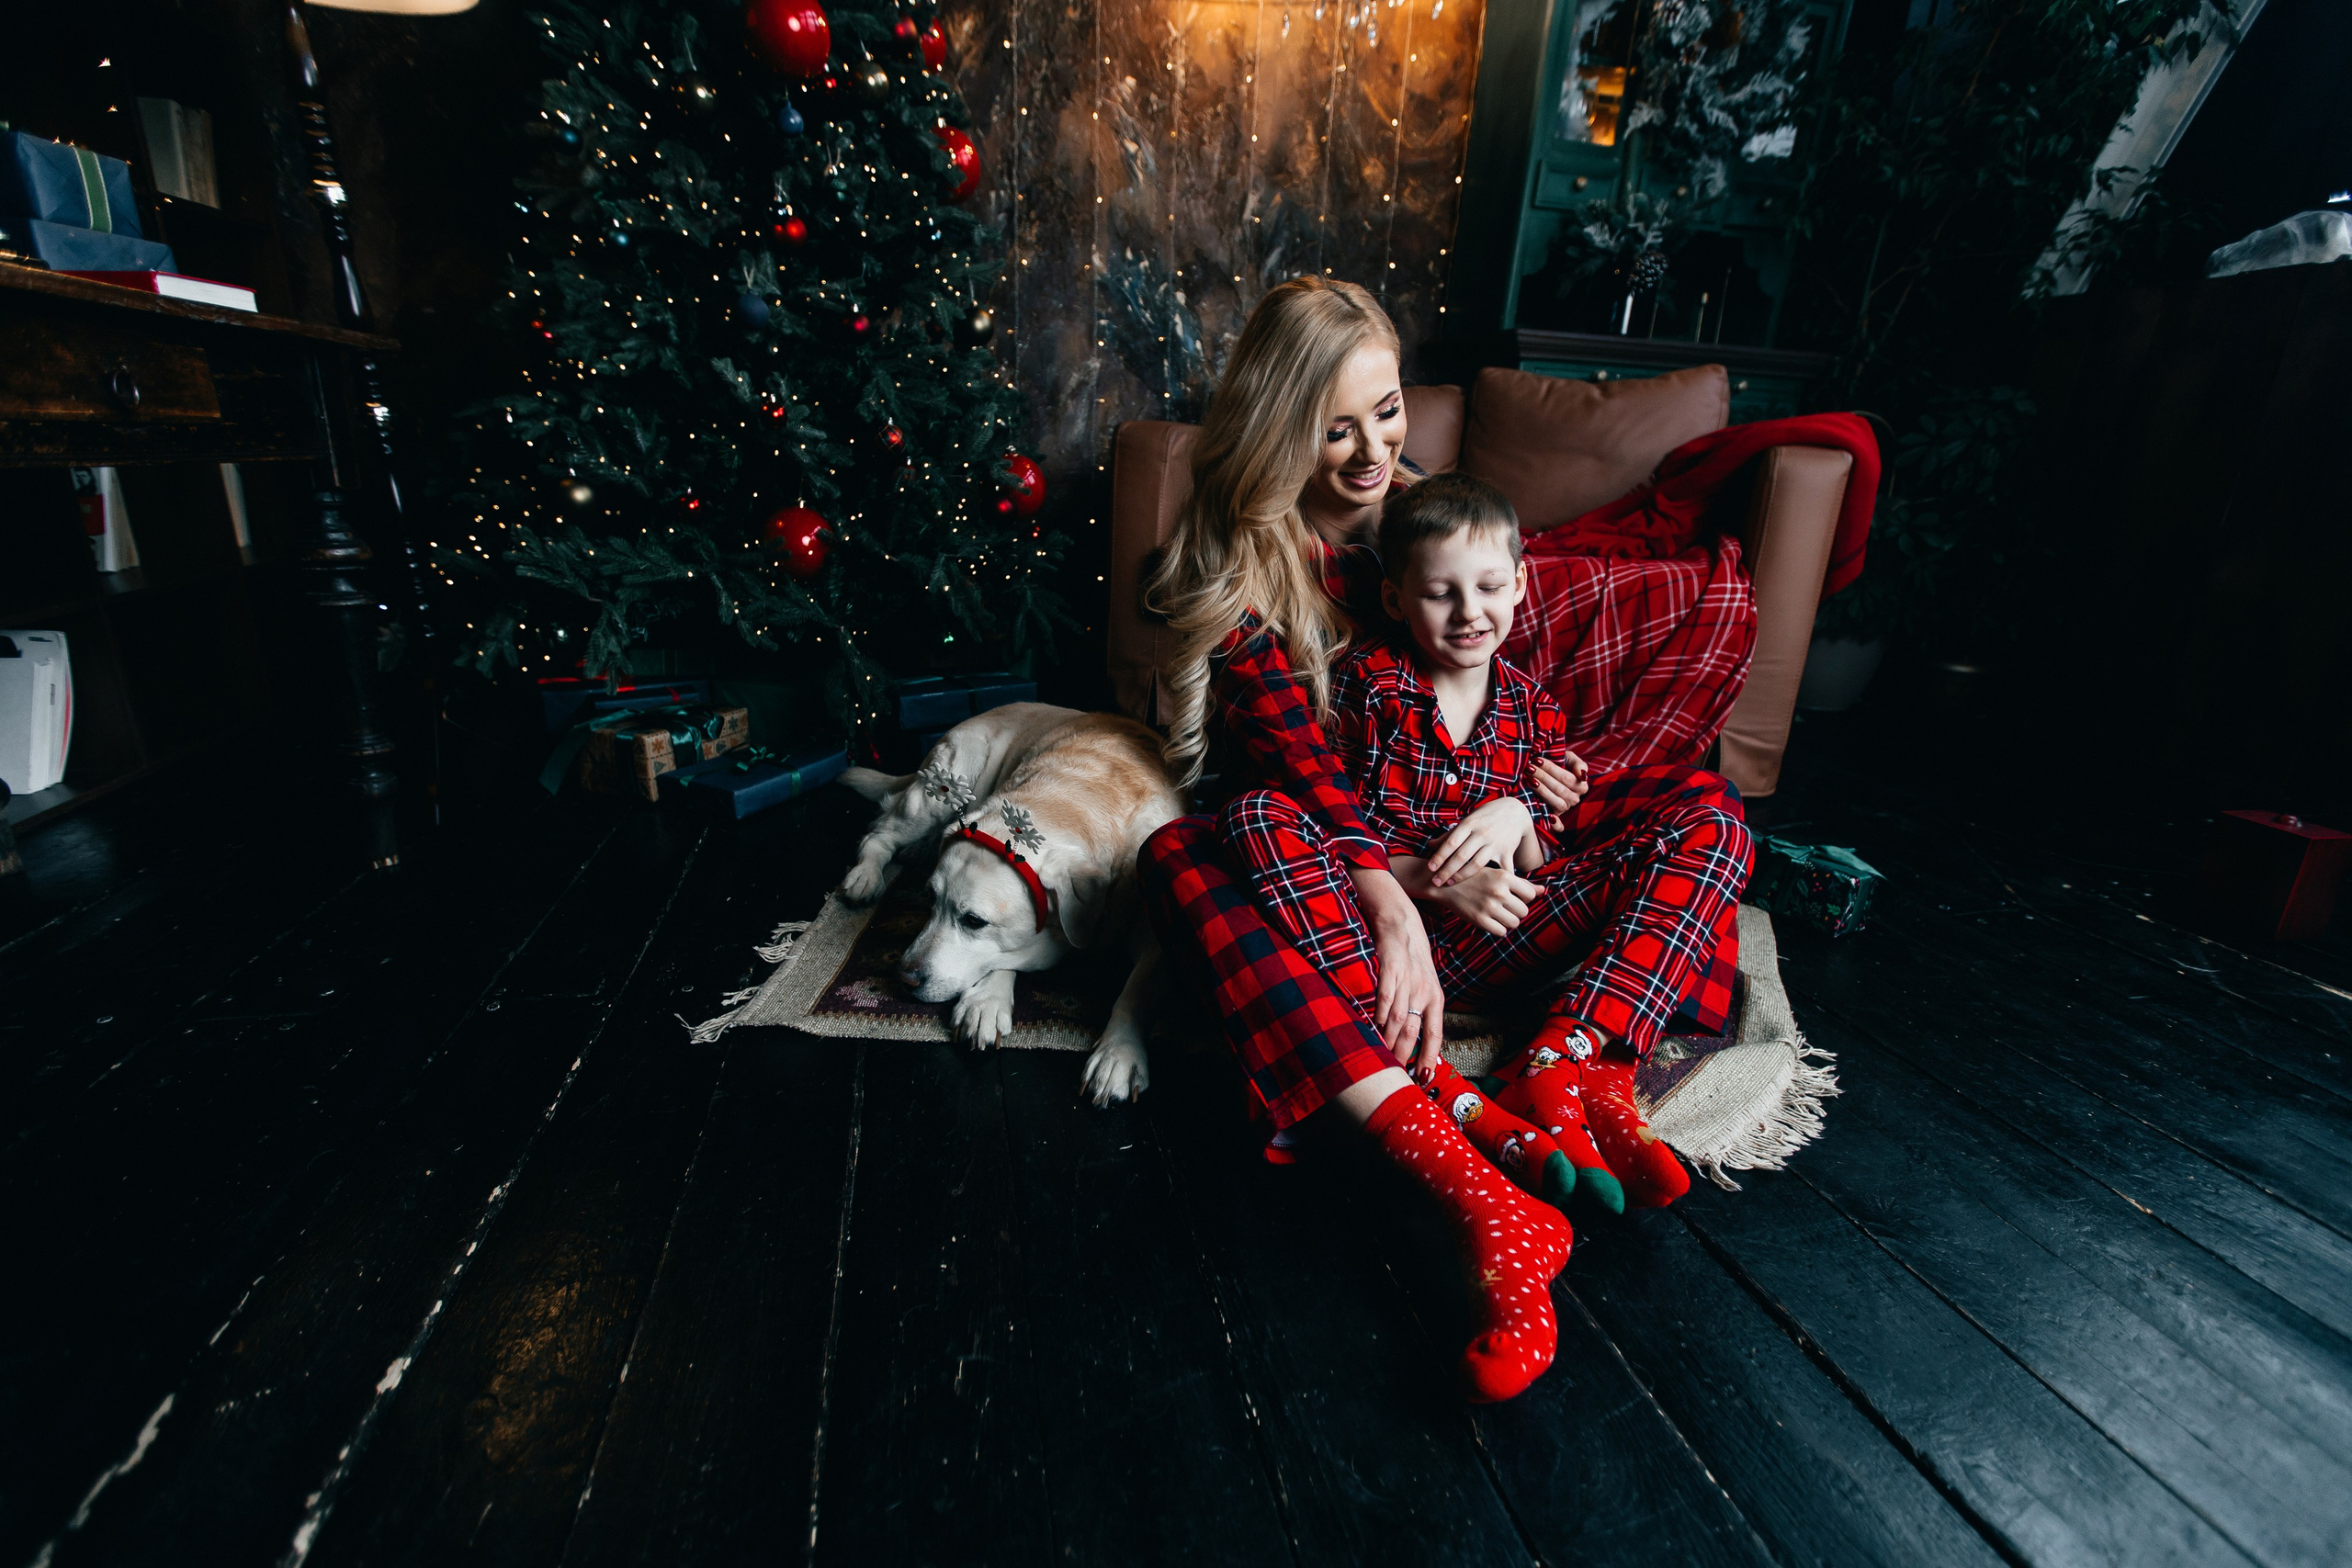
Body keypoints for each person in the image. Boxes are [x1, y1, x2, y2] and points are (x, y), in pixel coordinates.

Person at [1137, 279, 1745, 1403]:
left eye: (1386, 411)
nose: (1372, 450)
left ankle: (1564, 1063)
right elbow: (1298, 778)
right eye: (1334, 428)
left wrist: (1529, 803)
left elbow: (1518, 689)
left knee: (1709, 815)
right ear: (1279, 427)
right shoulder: (1236, 578)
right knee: (1190, 853)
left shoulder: (1427, 525)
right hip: (1339, 914)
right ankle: (1465, 1166)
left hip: (1486, 891)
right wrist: (1395, 897)